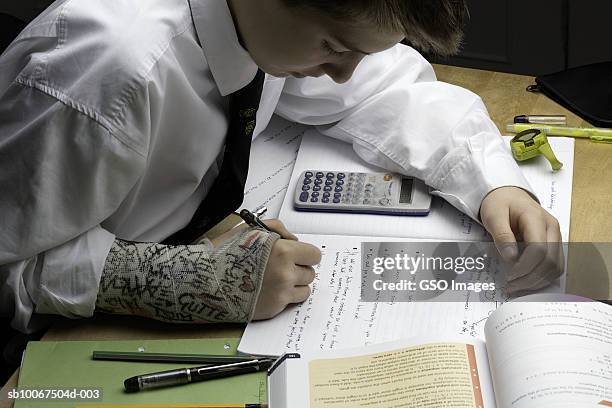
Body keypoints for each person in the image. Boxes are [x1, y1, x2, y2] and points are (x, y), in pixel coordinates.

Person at [0, 0, 563, 334]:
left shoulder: (273, 26)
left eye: (360, 53)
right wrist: (166, 280)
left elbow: (384, 92)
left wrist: (493, 185)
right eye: (334, 49)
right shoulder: (102, 78)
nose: (343, 73)